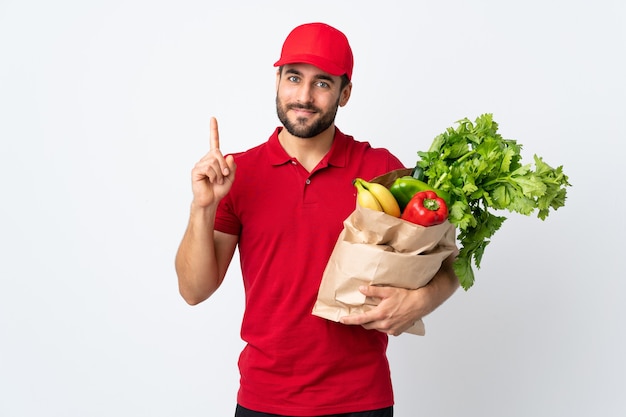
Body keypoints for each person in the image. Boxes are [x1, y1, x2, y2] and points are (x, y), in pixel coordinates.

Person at [175, 22, 459, 417]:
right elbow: (194, 291)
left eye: (322, 83)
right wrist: (202, 207)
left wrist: (421, 300)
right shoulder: (236, 174)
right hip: (263, 399)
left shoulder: (382, 171)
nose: (304, 96)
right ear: (277, 80)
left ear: (345, 93)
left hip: (361, 400)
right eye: (294, 78)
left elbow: (449, 264)